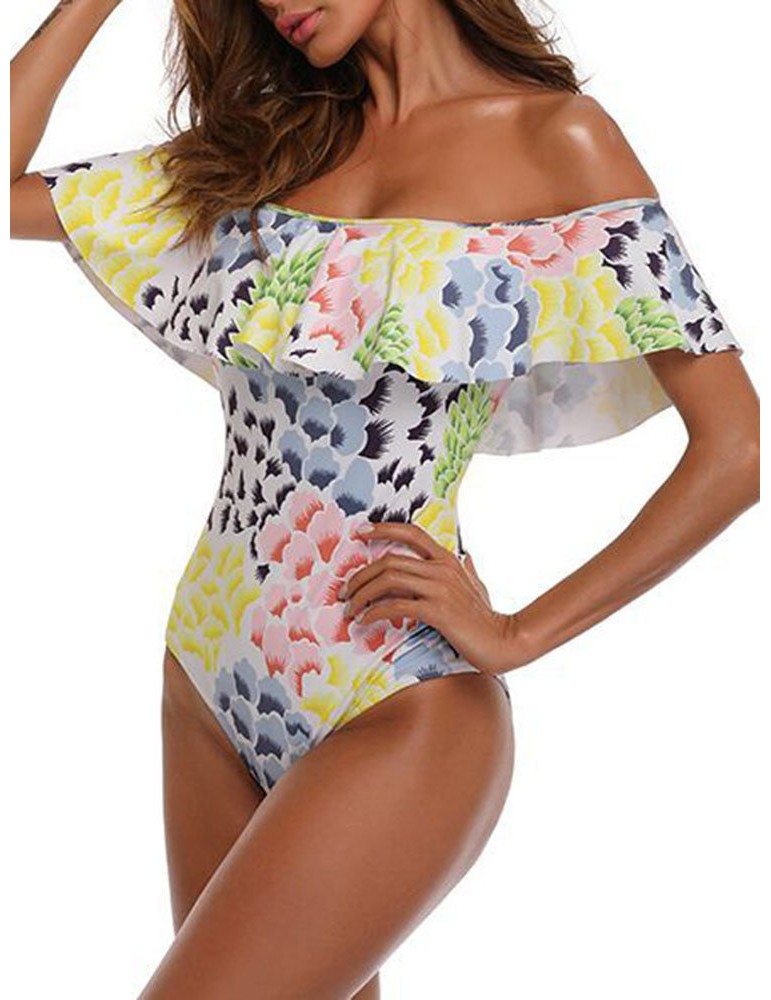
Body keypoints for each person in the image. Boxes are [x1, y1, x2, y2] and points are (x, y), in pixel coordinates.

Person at [9, 1, 760, 997]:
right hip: (205, 671)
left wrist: (518, 633)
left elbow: (735, 449)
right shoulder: (267, 148)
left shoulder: (558, 140)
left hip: (397, 695)